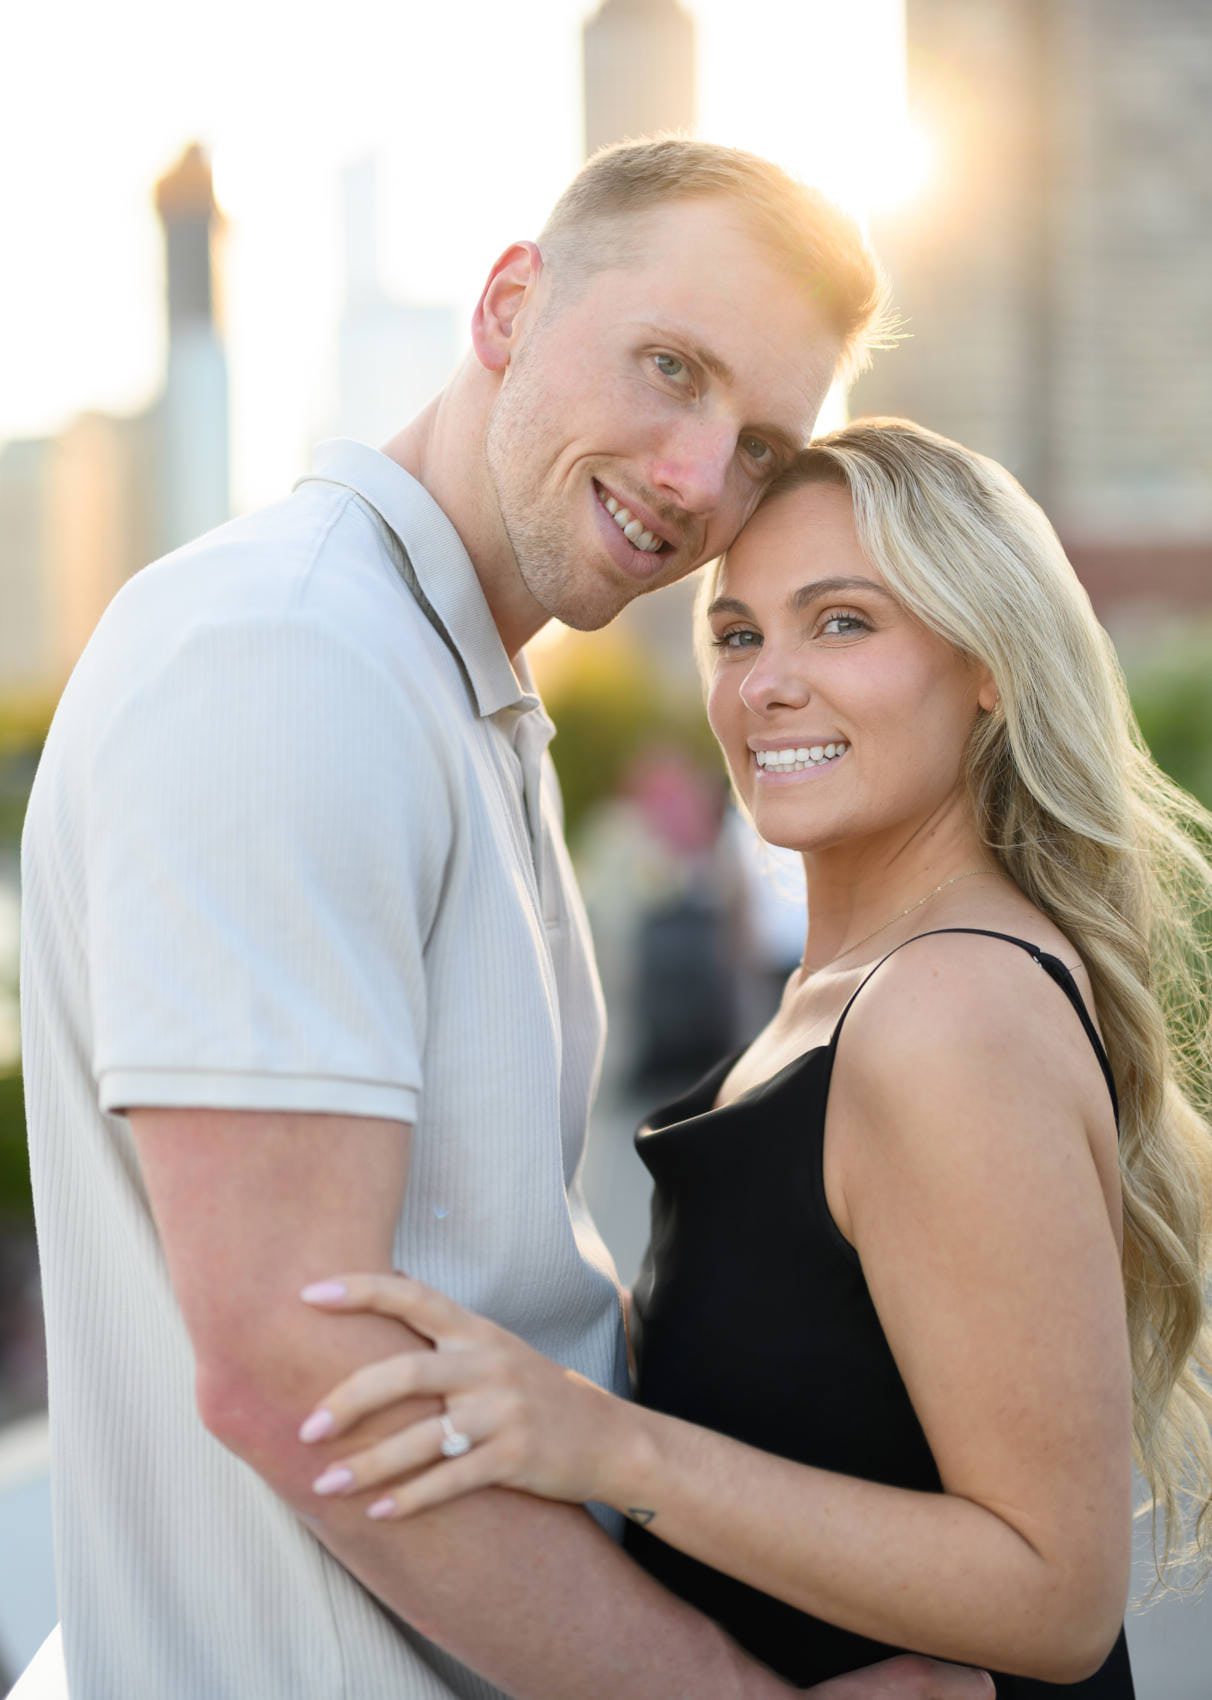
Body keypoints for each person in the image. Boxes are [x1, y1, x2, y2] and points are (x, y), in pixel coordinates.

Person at [18, 139, 993, 1700]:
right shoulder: (291, 657)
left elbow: (497, 1285)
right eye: (669, 367)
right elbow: (296, 1370)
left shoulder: (447, 683)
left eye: (758, 444)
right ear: (508, 306)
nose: (698, 480)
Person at [292, 419, 1212, 1695]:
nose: (768, 683)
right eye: (737, 634)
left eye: (842, 622)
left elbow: (1056, 1593)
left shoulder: (948, 1009)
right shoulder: (852, 991)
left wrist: (611, 1447)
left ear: (989, 663)